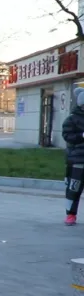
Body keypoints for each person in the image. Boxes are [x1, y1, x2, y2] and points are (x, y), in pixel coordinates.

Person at [62, 87, 84, 226]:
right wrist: (81, 136)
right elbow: (67, 136)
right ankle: (70, 214)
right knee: (74, 188)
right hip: (78, 160)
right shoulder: (71, 119)